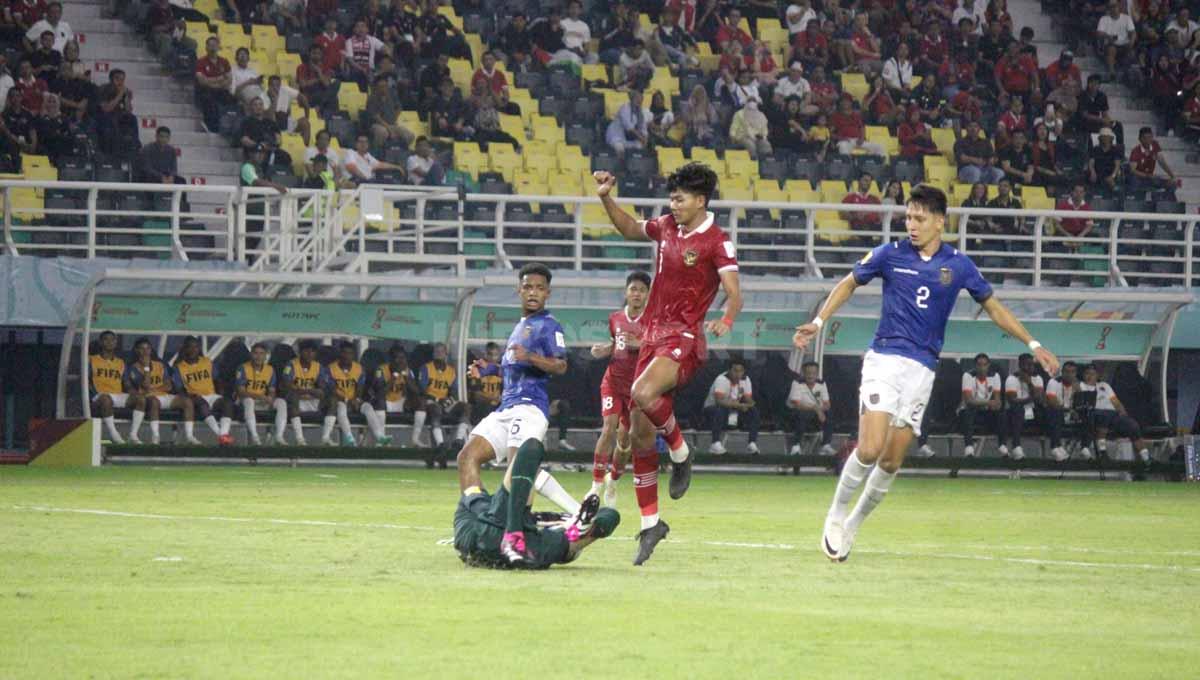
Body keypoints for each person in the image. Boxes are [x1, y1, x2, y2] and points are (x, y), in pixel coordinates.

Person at [794, 184, 1059, 562]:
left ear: (939, 221)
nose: (912, 225)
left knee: (891, 461)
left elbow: (994, 307)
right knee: (869, 449)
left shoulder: (959, 265)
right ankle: (835, 515)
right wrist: (818, 321)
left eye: (919, 218)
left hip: (922, 371)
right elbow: (850, 282)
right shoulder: (890, 254)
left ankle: (852, 525)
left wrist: (1033, 344)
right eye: (908, 217)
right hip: (884, 360)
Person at [593, 162, 742, 565]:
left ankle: (680, 451)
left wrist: (726, 318)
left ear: (700, 200)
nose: (672, 204)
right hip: (652, 339)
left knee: (642, 393)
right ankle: (650, 524)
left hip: (684, 337)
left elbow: (733, 291)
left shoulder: (717, 242)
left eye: (679, 198)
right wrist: (607, 197)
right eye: (671, 198)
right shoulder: (665, 228)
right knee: (641, 433)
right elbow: (628, 229)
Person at [453, 263, 581, 517]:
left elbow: (561, 365)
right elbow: (513, 367)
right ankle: (479, 517)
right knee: (467, 456)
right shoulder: (520, 326)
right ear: (519, 291)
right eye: (528, 287)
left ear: (548, 293)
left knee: (518, 471)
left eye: (539, 288)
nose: (533, 292)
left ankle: (578, 512)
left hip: (529, 407)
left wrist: (531, 356)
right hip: (506, 408)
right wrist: (488, 370)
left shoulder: (548, 325)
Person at [455, 439, 618, 569]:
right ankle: (575, 529)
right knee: (600, 522)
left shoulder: (479, 510)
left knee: (531, 448)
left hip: (478, 541)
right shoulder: (547, 539)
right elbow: (611, 516)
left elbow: (471, 494)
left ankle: (571, 529)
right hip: (530, 548)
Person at [587, 270, 649, 508]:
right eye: (633, 289)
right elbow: (618, 345)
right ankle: (595, 486)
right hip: (613, 381)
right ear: (626, 292)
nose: (636, 294)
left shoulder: (651, 321)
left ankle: (612, 480)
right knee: (608, 429)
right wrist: (604, 349)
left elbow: (657, 345)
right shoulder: (615, 318)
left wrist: (640, 344)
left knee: (624, 444)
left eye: (641, 290)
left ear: (647, 295)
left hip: (636, 389)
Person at [124, 337, 196, 445]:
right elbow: (146, 386)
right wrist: (147, 367)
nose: (145, 351)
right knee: (154, 401)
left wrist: (154, 389)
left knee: (187, 402)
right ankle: (155, 436)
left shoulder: (160, 365)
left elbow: (168, 386)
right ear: (136, 350)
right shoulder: (133, 368)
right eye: (142, 349)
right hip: (147, 398)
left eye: (148, 348)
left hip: (163, 396)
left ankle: (190, 436)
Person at [320, 340, 389, 446]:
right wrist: (347, 400)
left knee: (368, 407)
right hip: (338, 400)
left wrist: (356, 400)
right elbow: (331, 390)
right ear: (340, 354)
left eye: (350, 353)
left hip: (353, 400)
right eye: (344, 353)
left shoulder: (359, 368)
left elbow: (360, 388)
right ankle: (349, 437)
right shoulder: (330, 368)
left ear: (354, 355)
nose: (347, 356)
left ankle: (379, 436)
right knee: (341, 408)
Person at [1080, 364, 1152, 463]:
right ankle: (1102, 452)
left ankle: (1146, 456)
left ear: (1097, 376)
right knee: (1105, 415)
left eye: (1093, 374)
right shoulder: (1081, 386)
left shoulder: (1104, 385)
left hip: (1112, 416)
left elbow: (1116, 402)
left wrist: (1123, 412)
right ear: (1083, 375)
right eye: (1087, 373)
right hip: (1093, 415)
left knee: (1132, 424)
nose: (1090, 376)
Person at [413, 341, 470, 464]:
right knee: (435, 409)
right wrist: (438, 400)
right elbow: (422, 390)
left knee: (465, 407)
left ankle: (459, 440)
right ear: (433, 354)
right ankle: (441, 443)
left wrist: (448, 401)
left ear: (446, 354)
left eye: (441, 352)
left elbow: (453, 392)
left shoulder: (451, 371)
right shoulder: (426, 368)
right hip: (430, 401)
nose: (439, 354)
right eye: (436, 352)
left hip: (445, 401)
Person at [174, 335, 235, 446]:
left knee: (228, 403)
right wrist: (188, 396)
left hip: (211, 395)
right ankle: (220, 436)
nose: (193, 350)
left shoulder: (207, 362)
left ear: (199, 349)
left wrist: (220, 392)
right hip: (195, 397)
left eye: (196, 347)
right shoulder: (179, 367)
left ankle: (224, 434)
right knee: (202, 404)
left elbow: (217, 380)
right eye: (190, 347)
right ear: (185, 349)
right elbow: (178, 388)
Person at [235, 342, 289, 446]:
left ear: (265, 356)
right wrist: (260, 396)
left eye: (261, 353)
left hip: (263, 401)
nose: (258, 356)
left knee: (281, 402)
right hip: (245, 401)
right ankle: (255, 436)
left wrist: (270, 398)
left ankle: (279, 436)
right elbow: (241, 391)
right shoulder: (242, 368)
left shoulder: (270, 369)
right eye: (255, 353)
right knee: (249, 401)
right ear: (251, 354)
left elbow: (272, 390)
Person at [703, 359, 759, 455]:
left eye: (741, 371)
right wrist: (739, 405)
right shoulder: (722, 379)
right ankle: (715, 443)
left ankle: (752, 443)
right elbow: (719, 401)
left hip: (732, 410)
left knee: (753, 411)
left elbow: (747, 398)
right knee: (721, 410)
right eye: (735, 370)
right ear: (729, 370)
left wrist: (750, 405)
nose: (738, 374)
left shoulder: (746, 379)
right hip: (712, 410)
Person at [280, 339, 328, 445]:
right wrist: (309, 391)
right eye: (306, 351)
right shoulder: (291, 364)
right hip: (297, 401)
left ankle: (326, 438)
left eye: (312, 351)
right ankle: (300, 438)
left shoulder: (318, 366)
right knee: (293, 396)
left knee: (329, 398)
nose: (310, 354)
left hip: (311, 400)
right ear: (300, 352)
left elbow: (322, 388)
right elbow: (287, 384)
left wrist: (306, 391)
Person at [90, 330, 132, 444]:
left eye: (112, 340)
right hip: (99, 395)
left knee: (140, 399)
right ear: (100, 342)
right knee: (106, 399)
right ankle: (114, 434)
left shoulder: (121, 362)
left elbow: (127, 383)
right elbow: (86, 381)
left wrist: (134, 393)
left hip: (117, 395)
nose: (109, 342)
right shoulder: (92, 359)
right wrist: (91, 395)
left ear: (116, 342)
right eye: (106, 339)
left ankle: (133, 435)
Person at [958, 352, 1004, 457]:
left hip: (986, 411)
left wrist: (994, 404)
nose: (982, 368)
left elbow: (998, 401)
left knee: (1001, 413)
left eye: (984, 365)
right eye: (979, 365)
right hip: (969, 411)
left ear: (988, 365)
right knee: (967, 412)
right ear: (975, 366)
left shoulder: (995, 376)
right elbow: (969, 400)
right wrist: (988, 402)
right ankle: (969, 447)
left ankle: (1002, 446)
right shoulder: (968, 376)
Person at [786, 360, 835, 456]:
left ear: (817, 374)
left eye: (813, 373)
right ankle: (796, 446)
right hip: (798, 413)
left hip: (816, 415)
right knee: (801, 414)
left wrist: (820, 410)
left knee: (829, 413)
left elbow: (827, 403)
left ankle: (826, 445)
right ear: (803, 373)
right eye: (808, 373)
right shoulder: (797, 383)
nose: (811, 376)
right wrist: (816, 408)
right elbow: (796, 404)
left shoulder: (821, 384)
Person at [1002, 353, 1044, 460]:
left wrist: (1029, 383)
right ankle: (1016, 446)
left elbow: (1039, 400)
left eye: (1032, 364)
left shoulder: (1037, 378)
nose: (1030, 367)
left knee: (1047, 411)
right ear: (1020, 365)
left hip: (1034, 412)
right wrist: (1030, 399)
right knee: (1017, 409)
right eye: (1027, 364)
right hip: (1016, 413)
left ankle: (1056, 447)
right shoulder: (1011, 378)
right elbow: (1012, 401)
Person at [371, 343, 420, 435]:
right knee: (379, 401)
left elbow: (416, 391)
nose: (400, 361)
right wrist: (394, 376)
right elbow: (380, 393)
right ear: (391, 359)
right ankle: (381, 437)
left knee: (419, 401)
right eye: (397, 358)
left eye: (403, 358)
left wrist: (405, 376)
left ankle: (416, 438)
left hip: (400, 402)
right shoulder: (380, 370)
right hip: (385, 403)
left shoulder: (408, 370)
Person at [1045, 361, 1087, 461]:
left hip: (1071, 416)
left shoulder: (1079, 385)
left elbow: (1081, 405)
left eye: (1072, 372)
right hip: (1054, 415)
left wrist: (1078, 392)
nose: (1069, 374)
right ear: (1062, 372)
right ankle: (1055, 447)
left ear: (1076, 373)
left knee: (1089, 414)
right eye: (1067, 372)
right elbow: (1052, 402)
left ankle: (1084, 447)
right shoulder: (1054, 382)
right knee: (1056, 411)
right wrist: (1069, 410)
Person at [195, 36, 234, 133]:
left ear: (218, 47)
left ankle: (230, 127)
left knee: (233, 100)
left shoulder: (224, 61)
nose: (212, 48)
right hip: (205, 91)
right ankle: (212, 127)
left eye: (214, 45)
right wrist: (219, 79)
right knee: (209, 100)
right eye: (210, 45)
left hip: (221, 90)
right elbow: (201, 81)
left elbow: (229, 79)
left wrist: (210, 80)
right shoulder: (200, 62)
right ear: (206, 47)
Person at [1128, 125, 1177, 191]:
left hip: (1151, 178)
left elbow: (1162, 162)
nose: (1148, 140)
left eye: (1150, 137)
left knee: (1172, 183)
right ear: (1140, 139)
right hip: (1139, 179)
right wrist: (1147, 176)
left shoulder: (1155, 144)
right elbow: (1133, 171)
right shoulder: (1135, 151)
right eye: (1145, 138)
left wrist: (1172, 176)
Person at [605, 89, 648, 157]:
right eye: (637, 99)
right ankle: (621, 166)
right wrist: (641, 138)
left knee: (639, 146)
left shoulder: (641, 114)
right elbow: (629, 127)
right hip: (616, 136)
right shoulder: (625, 108)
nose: (639, 101)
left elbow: (644, 129)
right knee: (619, 148)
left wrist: (645, 140)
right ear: (632, 99)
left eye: (641, 99)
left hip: (629, 140)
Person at [467, 342, 502, 424]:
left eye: (495, 355)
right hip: (480, 407)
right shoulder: (476, 369)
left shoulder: (502, 371)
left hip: (497, 406)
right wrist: (493, 399)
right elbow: (477, 396)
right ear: (485, 354)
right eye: (490, 354)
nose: (493, 357)